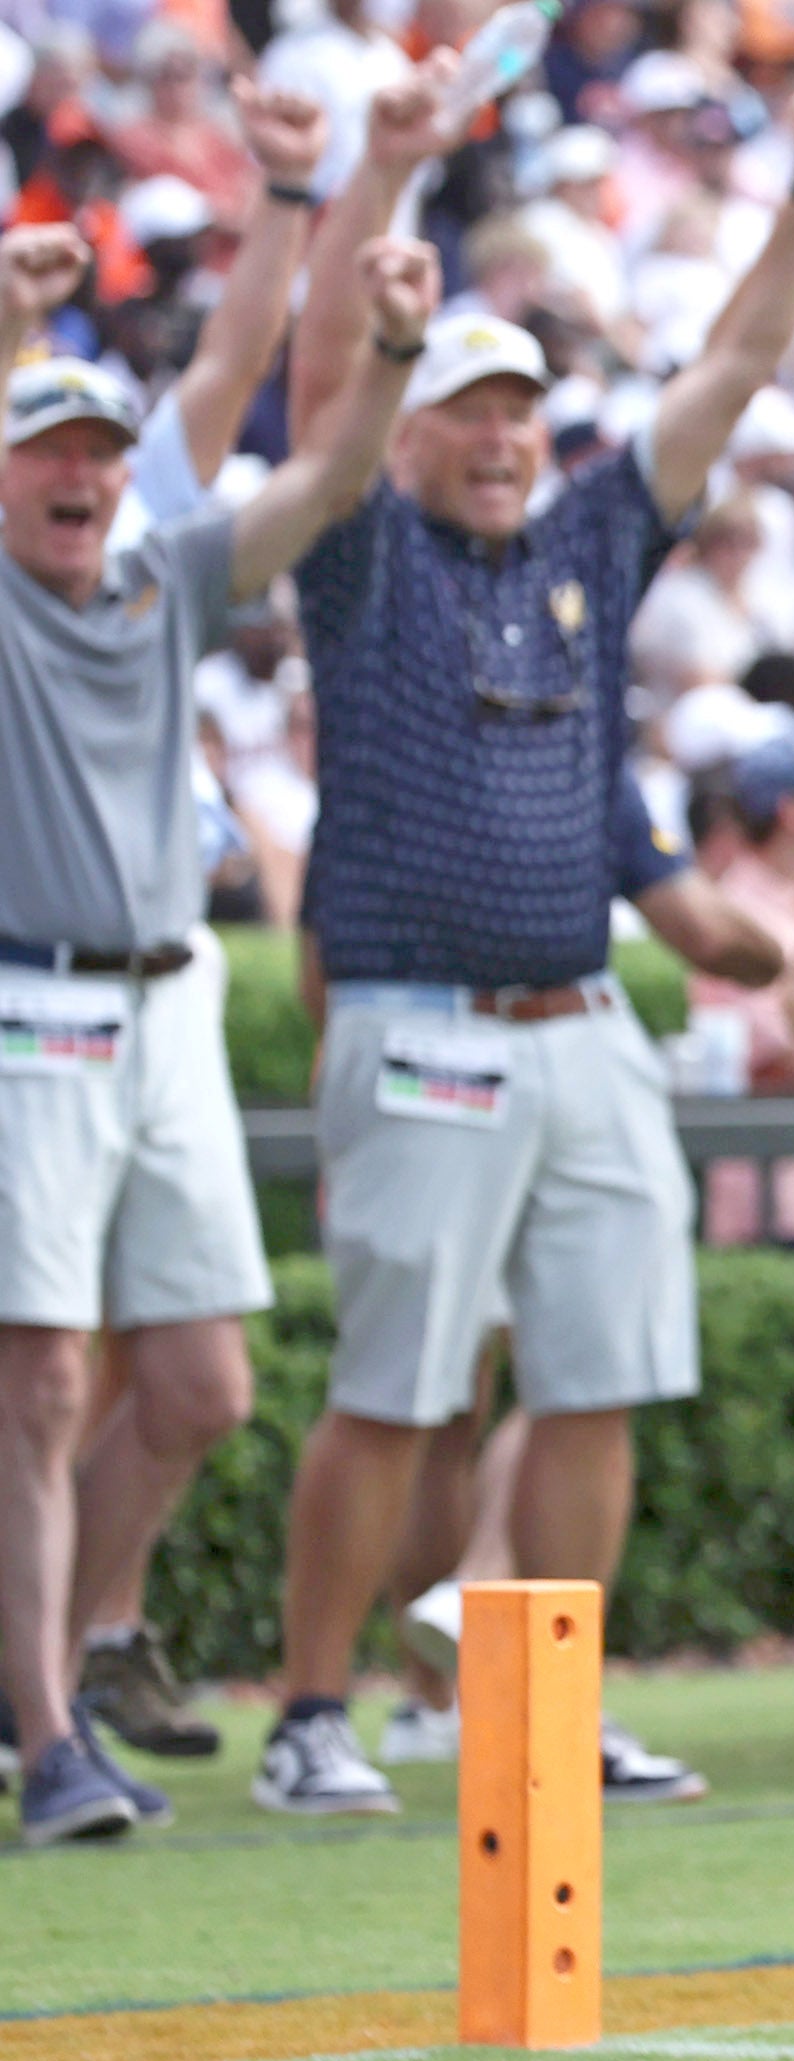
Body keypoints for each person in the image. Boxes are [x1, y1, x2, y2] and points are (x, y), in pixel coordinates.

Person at [249, 81, 794, 1817]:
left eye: (521, 406)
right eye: (468, 408)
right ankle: (313, 1712)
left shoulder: (593, 536)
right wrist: (371, 285)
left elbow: (730, 374)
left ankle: (545, 1708)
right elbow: (314, 414)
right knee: (396, 1389)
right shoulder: (359, 552)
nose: (505, 435)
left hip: (582, 1018)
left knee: (597, 1381)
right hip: (419, 1017)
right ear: (413, 427)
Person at [0, 223, 441, 1846]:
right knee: (41, 1382)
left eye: (99, 451)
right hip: (24, 1000)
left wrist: (389, 347)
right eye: (46, 448)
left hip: (166, 997)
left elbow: (323, 478)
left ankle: (27, 1680)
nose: (80, 473)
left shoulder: (160, 574)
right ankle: (51, 1738)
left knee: (198, 1387)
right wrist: (13, 316)